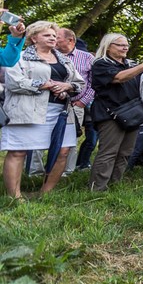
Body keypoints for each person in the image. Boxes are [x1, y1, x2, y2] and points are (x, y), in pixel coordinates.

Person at [2, 22, 84, 199]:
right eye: (47, 35)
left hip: (61, 112)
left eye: (54, 36)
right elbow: (13, 83)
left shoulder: (65, 60)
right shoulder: (21, 57)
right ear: (33, 38)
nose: (53, 38)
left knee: (63, 151)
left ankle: (44, 193)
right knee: (18, 151)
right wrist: (42, 84)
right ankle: (15, 196)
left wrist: (66, 86)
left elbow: (79, 84)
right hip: (26, 110)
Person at [89, 33, 143, 192]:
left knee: (125, 152)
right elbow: (119, 78)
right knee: (109, 151)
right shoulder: (101, 63)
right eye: (120, 45)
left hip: (132, 113)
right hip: (110, 113)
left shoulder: (130, 64)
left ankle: (114, 185)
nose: (125, 48)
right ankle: (98, 188)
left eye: (126, 45)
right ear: (108, 47)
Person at [55, 28, 95, 175]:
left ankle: (67, 172)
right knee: (41, 138)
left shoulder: (87, 57)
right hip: (50, 104)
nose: (54, 39)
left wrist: (83, 102)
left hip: (75, 105)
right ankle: (37, 172)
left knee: (70, 140)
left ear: (70, 40)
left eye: (57, 37)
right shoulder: (50, 55)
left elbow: (93, 83)